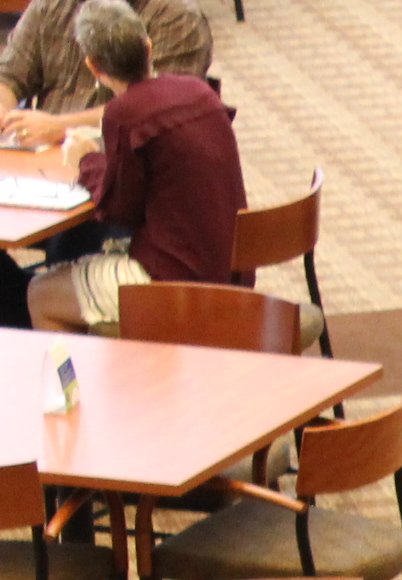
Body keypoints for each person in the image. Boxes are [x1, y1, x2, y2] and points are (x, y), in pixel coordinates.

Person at [15, 0, 234, 333]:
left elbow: (120, 209)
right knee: (70, 262)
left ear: (94, 67)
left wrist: (86, 161)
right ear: (148, 49)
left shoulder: (125, 113)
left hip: (172, 278)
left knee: (42, 293)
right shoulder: (198, 93)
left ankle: (76, 383)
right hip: (223, 264)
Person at [0, 0, 208, 139]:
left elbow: (157, 110)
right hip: (45, 168)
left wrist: (61, 128)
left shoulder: (176, 17)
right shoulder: (52, 6)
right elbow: (8, 75)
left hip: (126, 168)